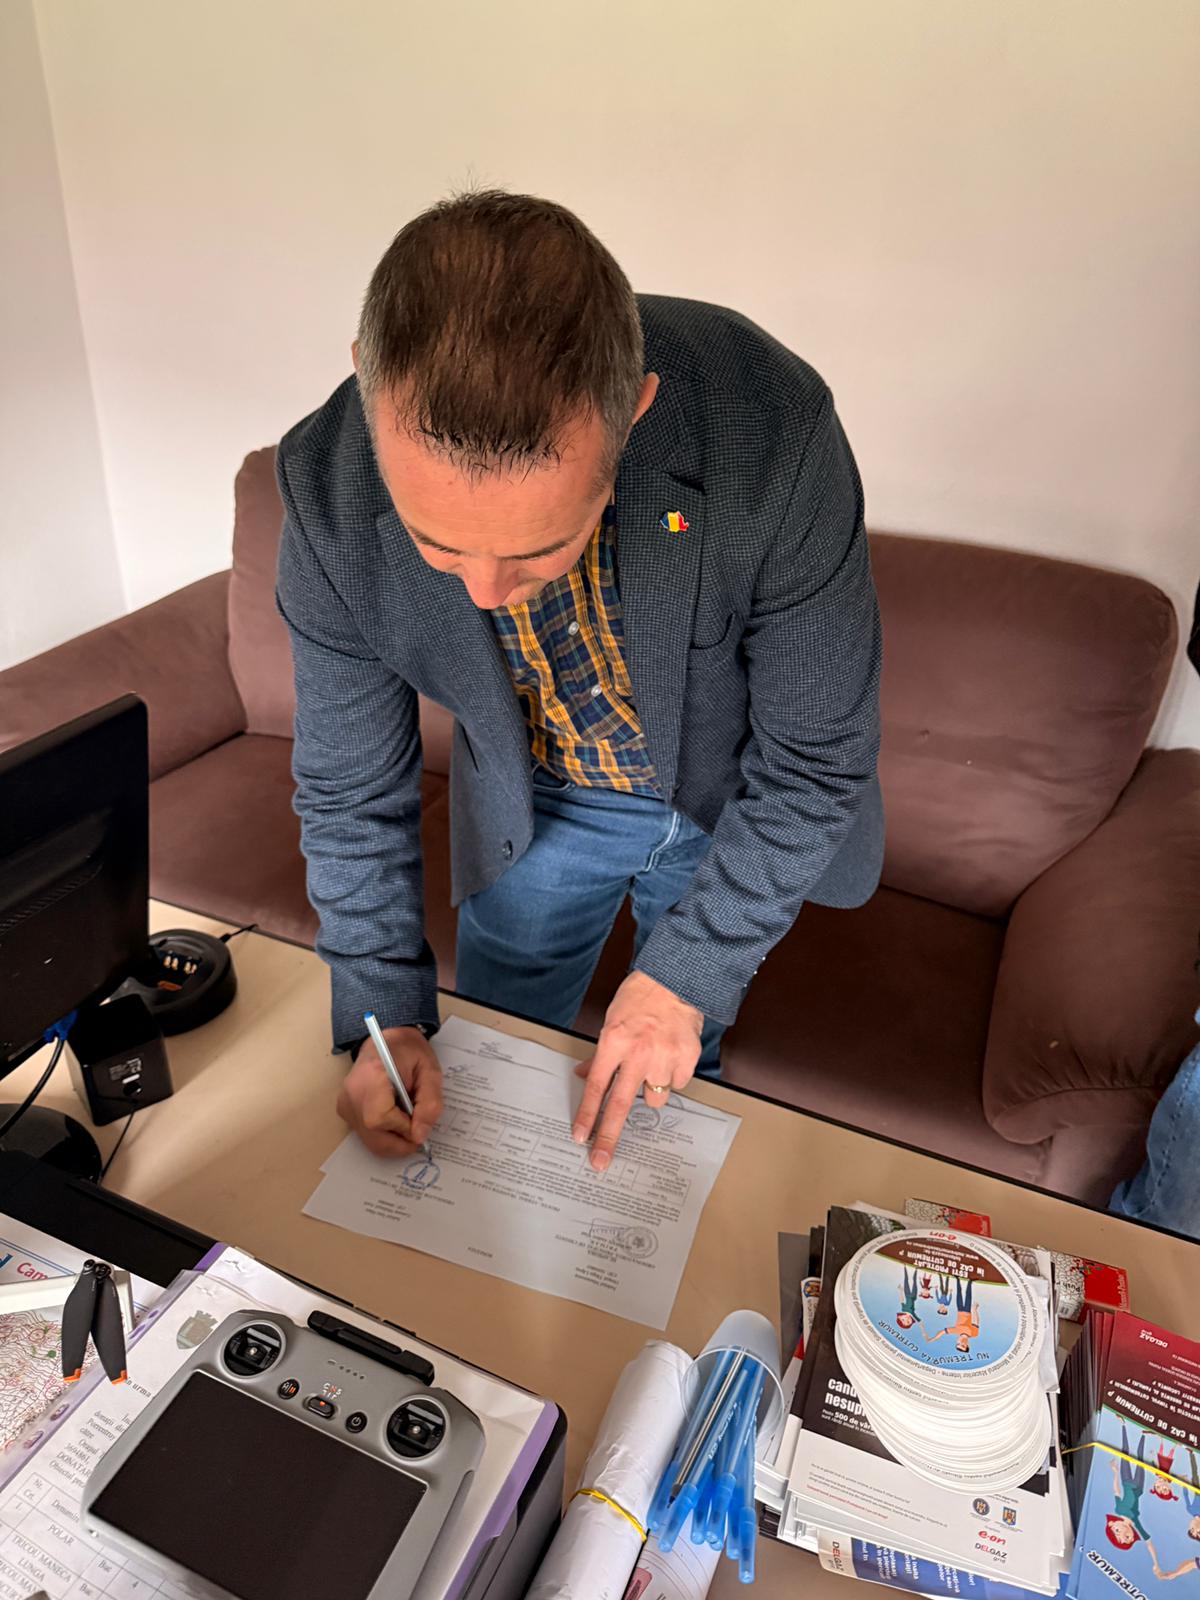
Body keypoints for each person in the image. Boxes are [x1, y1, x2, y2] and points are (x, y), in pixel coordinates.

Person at [276, 190, 883, 1171]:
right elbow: (349, 783)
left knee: (674, 1056)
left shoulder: (771, 428)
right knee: (488, 1068)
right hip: (539, 794)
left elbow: (814, 756)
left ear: (633, 411)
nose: (482, 591)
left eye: (538, 549)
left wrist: (688, 975)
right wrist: (382, 1017)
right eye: (438, 544)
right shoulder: (325, 488)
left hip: (733, 793)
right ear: (367, 383)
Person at [923, 1276, 979, 1352]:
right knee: (968, 1296)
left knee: (959, 1294)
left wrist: (932, 1339)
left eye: (958, 1344)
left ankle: (957, 1279)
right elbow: (976, 1321)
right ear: (968, 1345)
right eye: (963, 1345)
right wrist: (974, 1309)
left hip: (959, 1309)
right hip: (967, 1310)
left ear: (957, 1341)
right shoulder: (974, 1334)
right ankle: (970, 1281)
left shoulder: (956, 1331)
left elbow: (942, 1332)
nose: (961, 1342)